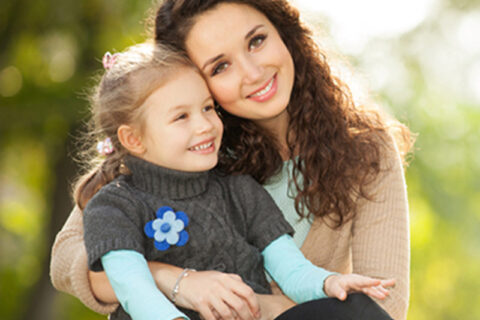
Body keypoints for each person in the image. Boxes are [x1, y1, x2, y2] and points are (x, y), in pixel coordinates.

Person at [50, 0, 412, 319]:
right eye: (220, 66)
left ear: (283, 31)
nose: (253, 73)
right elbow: (69, 258)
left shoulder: (365, 149)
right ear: (192, 79)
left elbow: (382, 307)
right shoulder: (188, 148)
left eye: (257, 41)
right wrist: (176, 281)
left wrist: (268, 307)